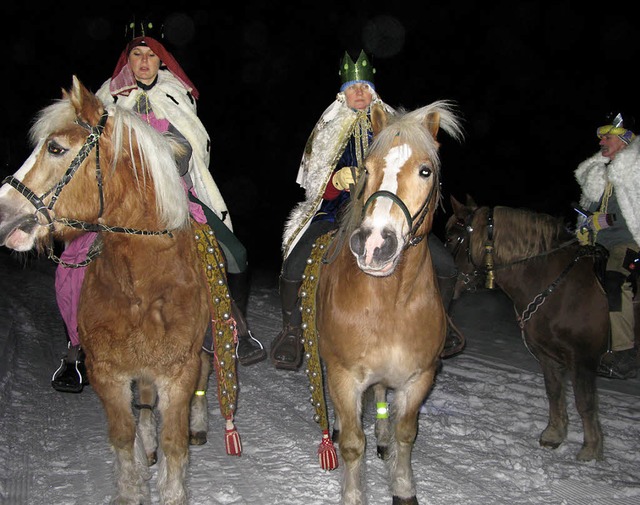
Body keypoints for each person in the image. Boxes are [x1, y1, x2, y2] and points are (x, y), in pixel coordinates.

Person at [51, 22, 265, 393]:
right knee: (72, 261)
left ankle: (230, 330)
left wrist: (158, 159)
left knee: (234, 254)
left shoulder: (176, 96)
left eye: (151, 55)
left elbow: (189, 149)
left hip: (171, 192)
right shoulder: (107, 100)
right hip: (115, 198)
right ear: (128, 60)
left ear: (161, 61)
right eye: (137, 55)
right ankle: (75, 351)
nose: (144, 62)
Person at [270, 50, 462, 370]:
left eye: (364, 86)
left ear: (372, 90)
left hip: (388, 214)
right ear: (342, 92)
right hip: (336, 212)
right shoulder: (328, 128)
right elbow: (316, 184)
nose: (358, 92)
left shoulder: (394, 125)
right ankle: (291, 331)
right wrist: (336, 180)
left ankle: (441, 325)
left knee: (445, 266)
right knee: (293, 265)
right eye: (352, 87)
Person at [575, 111, 640, 379]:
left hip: (629, 245)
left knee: (615, 280)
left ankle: (625, 353)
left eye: (608, 137)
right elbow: (587, 211)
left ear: (624, 141)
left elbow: (630, 215)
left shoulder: (636, 173)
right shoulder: (598, 174)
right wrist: (583, 225)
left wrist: (605, 220)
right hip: (597, 245)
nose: (602, 141)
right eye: (601, 138)